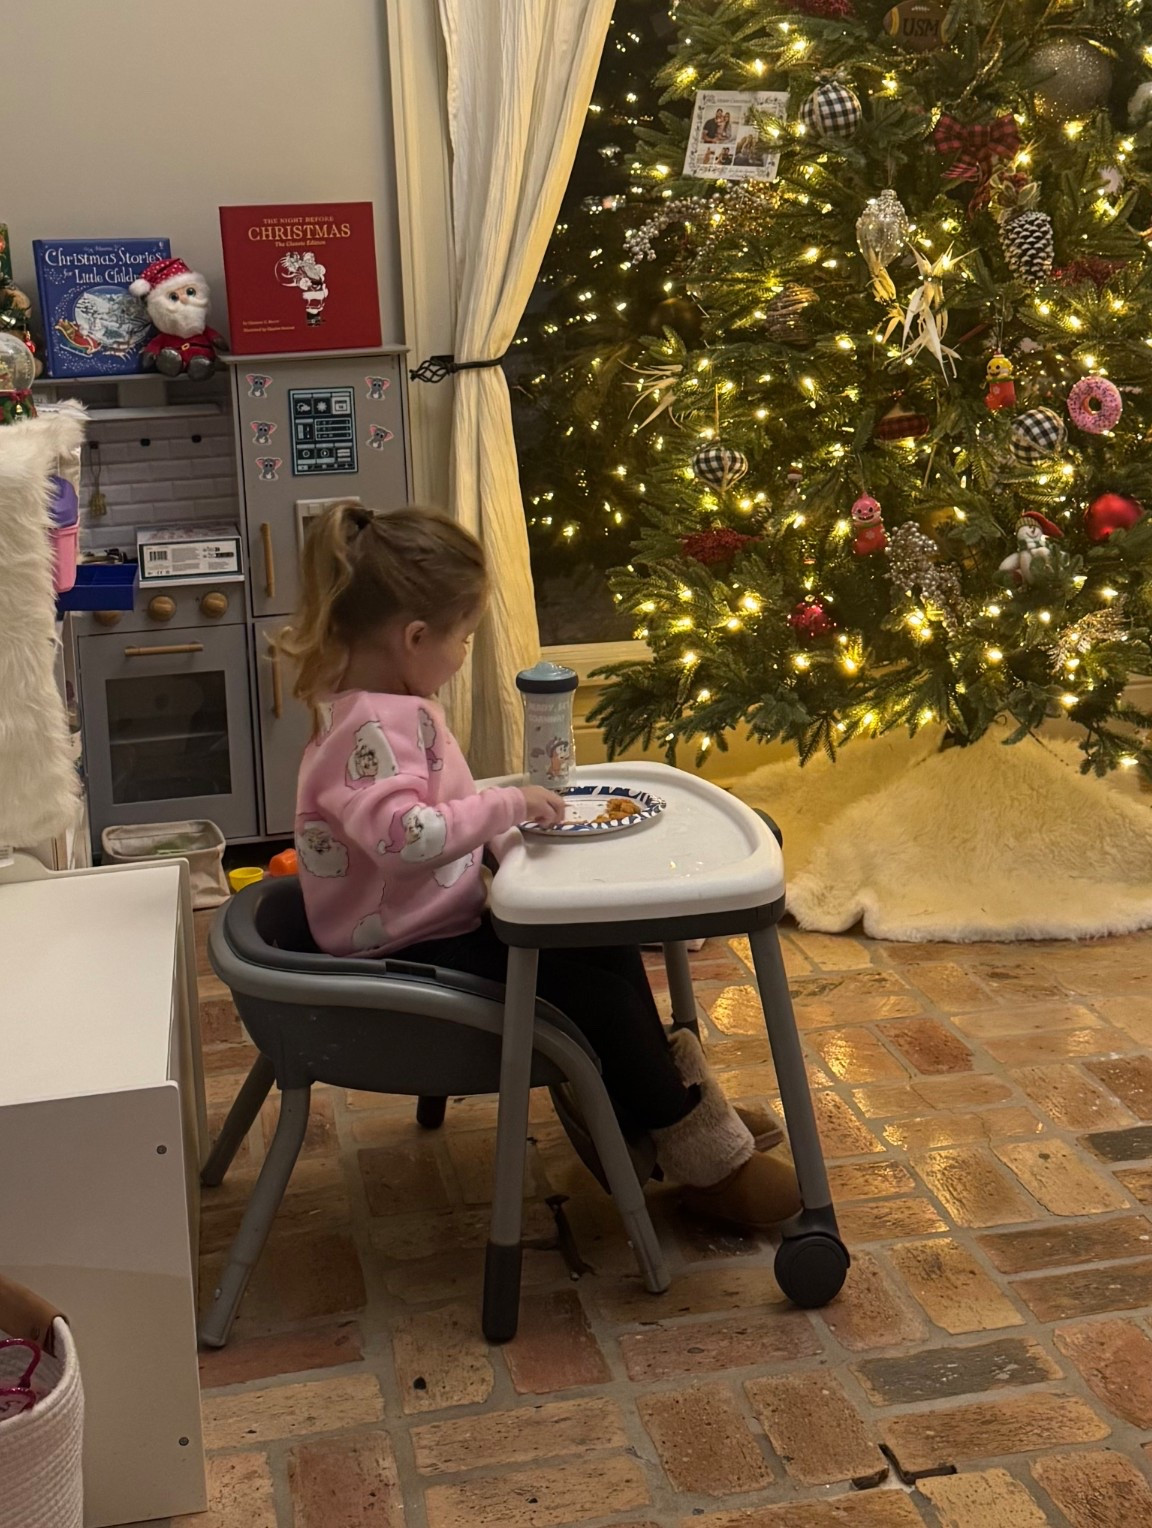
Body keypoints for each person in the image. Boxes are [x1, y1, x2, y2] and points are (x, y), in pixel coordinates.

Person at [280, 501, 801, 1231]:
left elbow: (439, 807)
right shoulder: (370, 727)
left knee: (608, 946)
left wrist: (504, 825)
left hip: (433, 920)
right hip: (408, 952)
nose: (464, 653)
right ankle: (704, 1159)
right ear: (414, 637)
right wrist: (506, 809)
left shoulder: (392, 707)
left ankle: (661, 1112)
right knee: (602, 1003)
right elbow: (408, 836)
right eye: (462, 637)